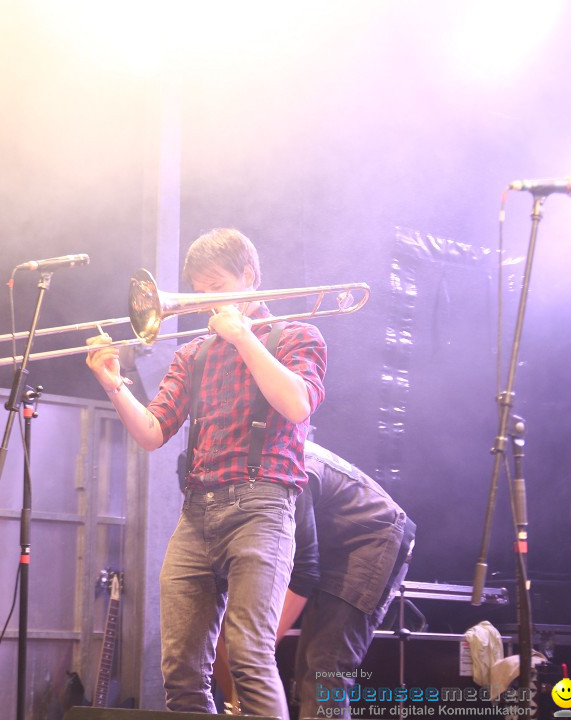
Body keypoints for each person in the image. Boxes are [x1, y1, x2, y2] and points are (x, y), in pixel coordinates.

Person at [86, 228, 327, 720]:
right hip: (197, 513)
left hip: (262, 506)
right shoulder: (192, 353)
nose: (202, 300)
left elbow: (297, 404)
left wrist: (242, 336)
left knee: (249, 656)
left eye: (215, 286)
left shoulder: (298, 334)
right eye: (197, 288)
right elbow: (153, 432)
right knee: (179, 667)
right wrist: (115, 387)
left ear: (250, 278)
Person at [212, 440, 416, 718]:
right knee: (309, 670)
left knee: (325, 668)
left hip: (372, 540)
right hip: (335, 546)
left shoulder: (286, 471)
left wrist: (259, 646)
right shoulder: (254, 466)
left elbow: (305, 571)